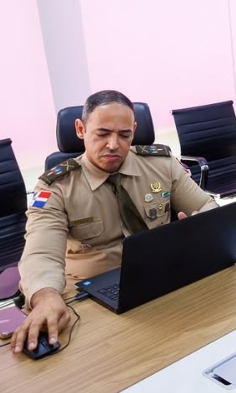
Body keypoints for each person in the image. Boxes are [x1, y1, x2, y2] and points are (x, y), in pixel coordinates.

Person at [12, 90, 217, 355]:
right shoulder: (55, 187)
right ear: (81, 129)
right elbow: (41, 254)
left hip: (158, 277)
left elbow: (205, 206)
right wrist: (46, 296)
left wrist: (201, 228)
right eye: (102, 133)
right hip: (90, 293)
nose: (113, 145)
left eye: (124, 135)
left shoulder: (161, 164)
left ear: (134, 131)